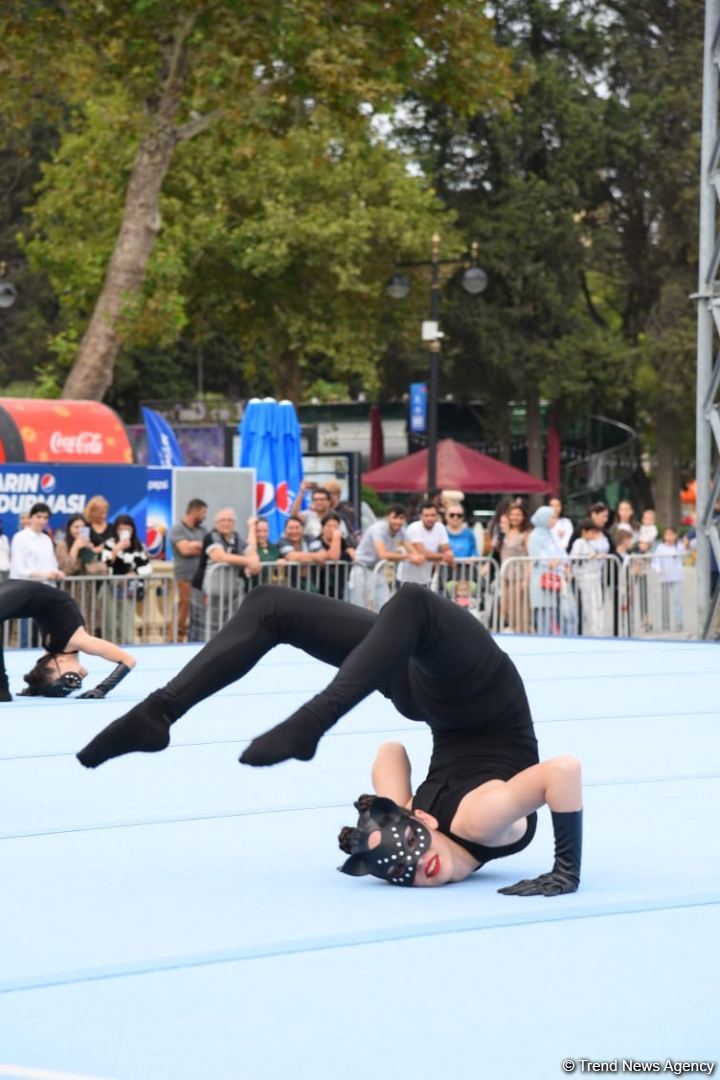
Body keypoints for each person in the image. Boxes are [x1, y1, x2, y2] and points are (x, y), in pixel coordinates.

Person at [76, 584, 583, 897]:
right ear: (424, 824)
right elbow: (563, 772)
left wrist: (396, 804)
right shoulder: (481, 821)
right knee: (412, 603)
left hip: (427, 698)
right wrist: (565, 870)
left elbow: (392, 751)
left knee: (272, 605)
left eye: (406, 875)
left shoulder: (431, 822)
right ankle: (315, 718)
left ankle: (160, 711)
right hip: (477, 688)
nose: (424, 873)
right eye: (415, 852)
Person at [0, 578, 136, 702]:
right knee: (3, 695)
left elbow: (41, 672)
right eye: (70, 682)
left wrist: (36, 687)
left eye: (69, 681)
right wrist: (102, 688)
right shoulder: (79, 640)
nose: (77, 681)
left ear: (57, 662)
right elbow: (128, 660)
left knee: (3, 695)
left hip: (16, 591)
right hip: (19, 592)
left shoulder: (52, 649)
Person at [192, 509, 260, 636]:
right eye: (223, 520)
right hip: (210, 593)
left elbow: (252, 553)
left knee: (234, 628)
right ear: (216, 524)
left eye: (229, 520)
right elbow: (220, 557)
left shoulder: (237, 538)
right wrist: (249, 561)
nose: (226, 523)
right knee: (210, 632)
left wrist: (251, 527)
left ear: (234, 523)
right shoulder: (211, 537)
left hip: (233, 593)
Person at [348, 504, 419, 610]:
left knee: (384, 605)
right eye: (395, 518)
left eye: (401, 518)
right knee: (359, 606)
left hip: (378, 571)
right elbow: (382, 554)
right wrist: (408, 556)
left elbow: (414, 553)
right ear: (387, 518)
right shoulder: (378, 528)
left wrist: (415, 556)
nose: (398, 522)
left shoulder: (401, 531)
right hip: (362, 569)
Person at [101, 514, 153, 643]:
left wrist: (134, 573)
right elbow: (105, 565)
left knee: (127, 621)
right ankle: (109, 647)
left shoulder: (138, 546)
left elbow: (148, 567)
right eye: (121, 530)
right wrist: (117, 549)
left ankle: (127, 645)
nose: (124, 533)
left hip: (128, 590)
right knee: (110, 621)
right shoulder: (109, 543)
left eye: (127, 530)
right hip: (110, 587)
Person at [169, 499, 208, 642]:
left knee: (198, 613)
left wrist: (196, 545)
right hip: (184, 579)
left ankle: (194, 640)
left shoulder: (203, 530)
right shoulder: (177, 529)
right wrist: (199, 547)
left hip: (201, 580)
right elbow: (184, 550)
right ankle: (174, 641)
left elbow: (210, 548)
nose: (205, 516)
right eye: (203, 512)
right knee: (183, 610)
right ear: (195, 511)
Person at [527, 506, 568, 635]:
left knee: (553, 609)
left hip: (554, 577)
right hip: (540, 578)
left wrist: (561, 562)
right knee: (542, 609)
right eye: (552, 517)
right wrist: (550, 561)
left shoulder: (552, 535)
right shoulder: (534, 536)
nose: (555, 521)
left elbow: (562, 553)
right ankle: (542, 635)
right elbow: (536, 556)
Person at [397, 500, 454, 587]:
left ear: (437, 516)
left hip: (425, 579)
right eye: (426, 515)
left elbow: (446, 549)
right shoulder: (414, 527)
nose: (430, 518)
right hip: (406, 580)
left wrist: (448, 554)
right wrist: (444, 556)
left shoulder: (440, 527)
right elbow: (422, 552)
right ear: (420, 516)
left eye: (432, 515)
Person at [9, 502, 63, 584]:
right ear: (30, 517)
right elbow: (19, 570)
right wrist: (45, 575)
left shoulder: (47, 539)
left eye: (45, 518)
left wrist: (57, 573)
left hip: (46, 587)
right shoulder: (19, 538)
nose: (42, 521)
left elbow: (53, 564)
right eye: (38, 517)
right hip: (25, 588)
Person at [499, 503, 531, 632]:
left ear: (523, 517)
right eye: (512, 514)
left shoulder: (526, 534)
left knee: (518, 609)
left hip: (519, 575)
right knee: (505, 608)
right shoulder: (506, 531)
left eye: (518, 515)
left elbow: (530, 557)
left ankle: (521, 632)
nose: (515, 517)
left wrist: (526, 579)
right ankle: (514, 629)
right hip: (505, 575)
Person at [570, 518, 604, 637]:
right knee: (590, 604)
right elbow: (574, 558)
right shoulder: (579, 542)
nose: (594, 535)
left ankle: (597, 629)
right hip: (585, 578)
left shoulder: (589, 544)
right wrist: (587, 557)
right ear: (584, 531)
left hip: (594, 577)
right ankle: (594, 630)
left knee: (597, 603)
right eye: (592, 532)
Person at [315, 512, 356, 600]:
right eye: (329, 526)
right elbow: (334, 557)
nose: (333, 529)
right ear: (322, 528)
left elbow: (354, 555)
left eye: (336, 526)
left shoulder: (344, 541)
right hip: (321, 585)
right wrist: (336, 537)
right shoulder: (317, 542)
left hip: (340, 584)